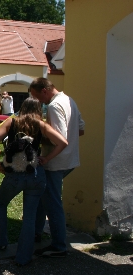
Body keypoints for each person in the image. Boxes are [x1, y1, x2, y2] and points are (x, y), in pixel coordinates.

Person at [0, 97, 68, 266]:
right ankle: (23, 257)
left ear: (21, 107)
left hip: (15, 173)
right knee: (29, 216)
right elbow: (63, 142)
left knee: (1, 203)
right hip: (36, 174)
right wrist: (46, 158)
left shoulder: (12, 122)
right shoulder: (40, 124)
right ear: (39, 109)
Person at [29, 78, 85, 258]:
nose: (38, 101)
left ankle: (59, 245)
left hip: (55, 162)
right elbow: (81, 130)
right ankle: (36, 233)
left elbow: (58, 139)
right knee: (44, 198)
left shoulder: (53, 106)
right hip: (69, 160)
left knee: (53, 203)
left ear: (44, 91)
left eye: (37, 96)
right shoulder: (69, 100)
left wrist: (40, 134)